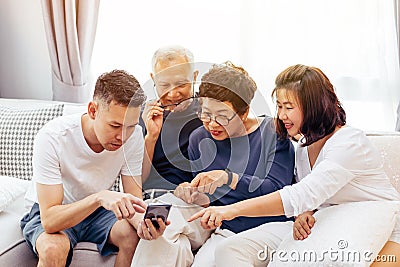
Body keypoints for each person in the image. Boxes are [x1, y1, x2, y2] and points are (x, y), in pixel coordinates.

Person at [188, 64, 400, 266]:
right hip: (324, 223)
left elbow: (303, 194)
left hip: (380, 224)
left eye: (288, 107)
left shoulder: (349, 142)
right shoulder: (302, 146)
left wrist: (229, 211)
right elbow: (310, 198)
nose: (281, 115)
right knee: (230, 249)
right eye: (279, 106)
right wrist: (303, 213)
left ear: (313, 107)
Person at [132, 62, 295, 266]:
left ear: (244, 113)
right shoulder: (199, 138)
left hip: (268, 226)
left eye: (222, 117)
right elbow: (209, 199)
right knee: (163, 231)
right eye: (206, 114)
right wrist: (191, 192)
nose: (211, 124)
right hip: (224, 228)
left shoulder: (272, 133)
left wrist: (229, 178)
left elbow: (279, 193)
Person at [20, 70, 151, 267]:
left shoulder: (134, 137)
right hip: (57, 210)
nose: (123, 136)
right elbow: (50, 220)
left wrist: (144, 224)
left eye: (130, 126)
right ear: (92, 110)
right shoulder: (53, 137)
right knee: (53, 248)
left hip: (98, 213)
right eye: (115, 125)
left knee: (130, 235)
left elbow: (135, 198)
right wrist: (100, 197)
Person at [140, 45, 203, 196]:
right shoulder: (144, 116)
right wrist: (151, 137)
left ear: (194, 77)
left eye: (181, 84)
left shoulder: (207, 113)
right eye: (164, 85)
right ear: (153, 79)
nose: (173, 94)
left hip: (192, 197)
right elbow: (136, 180)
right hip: (151, 196)